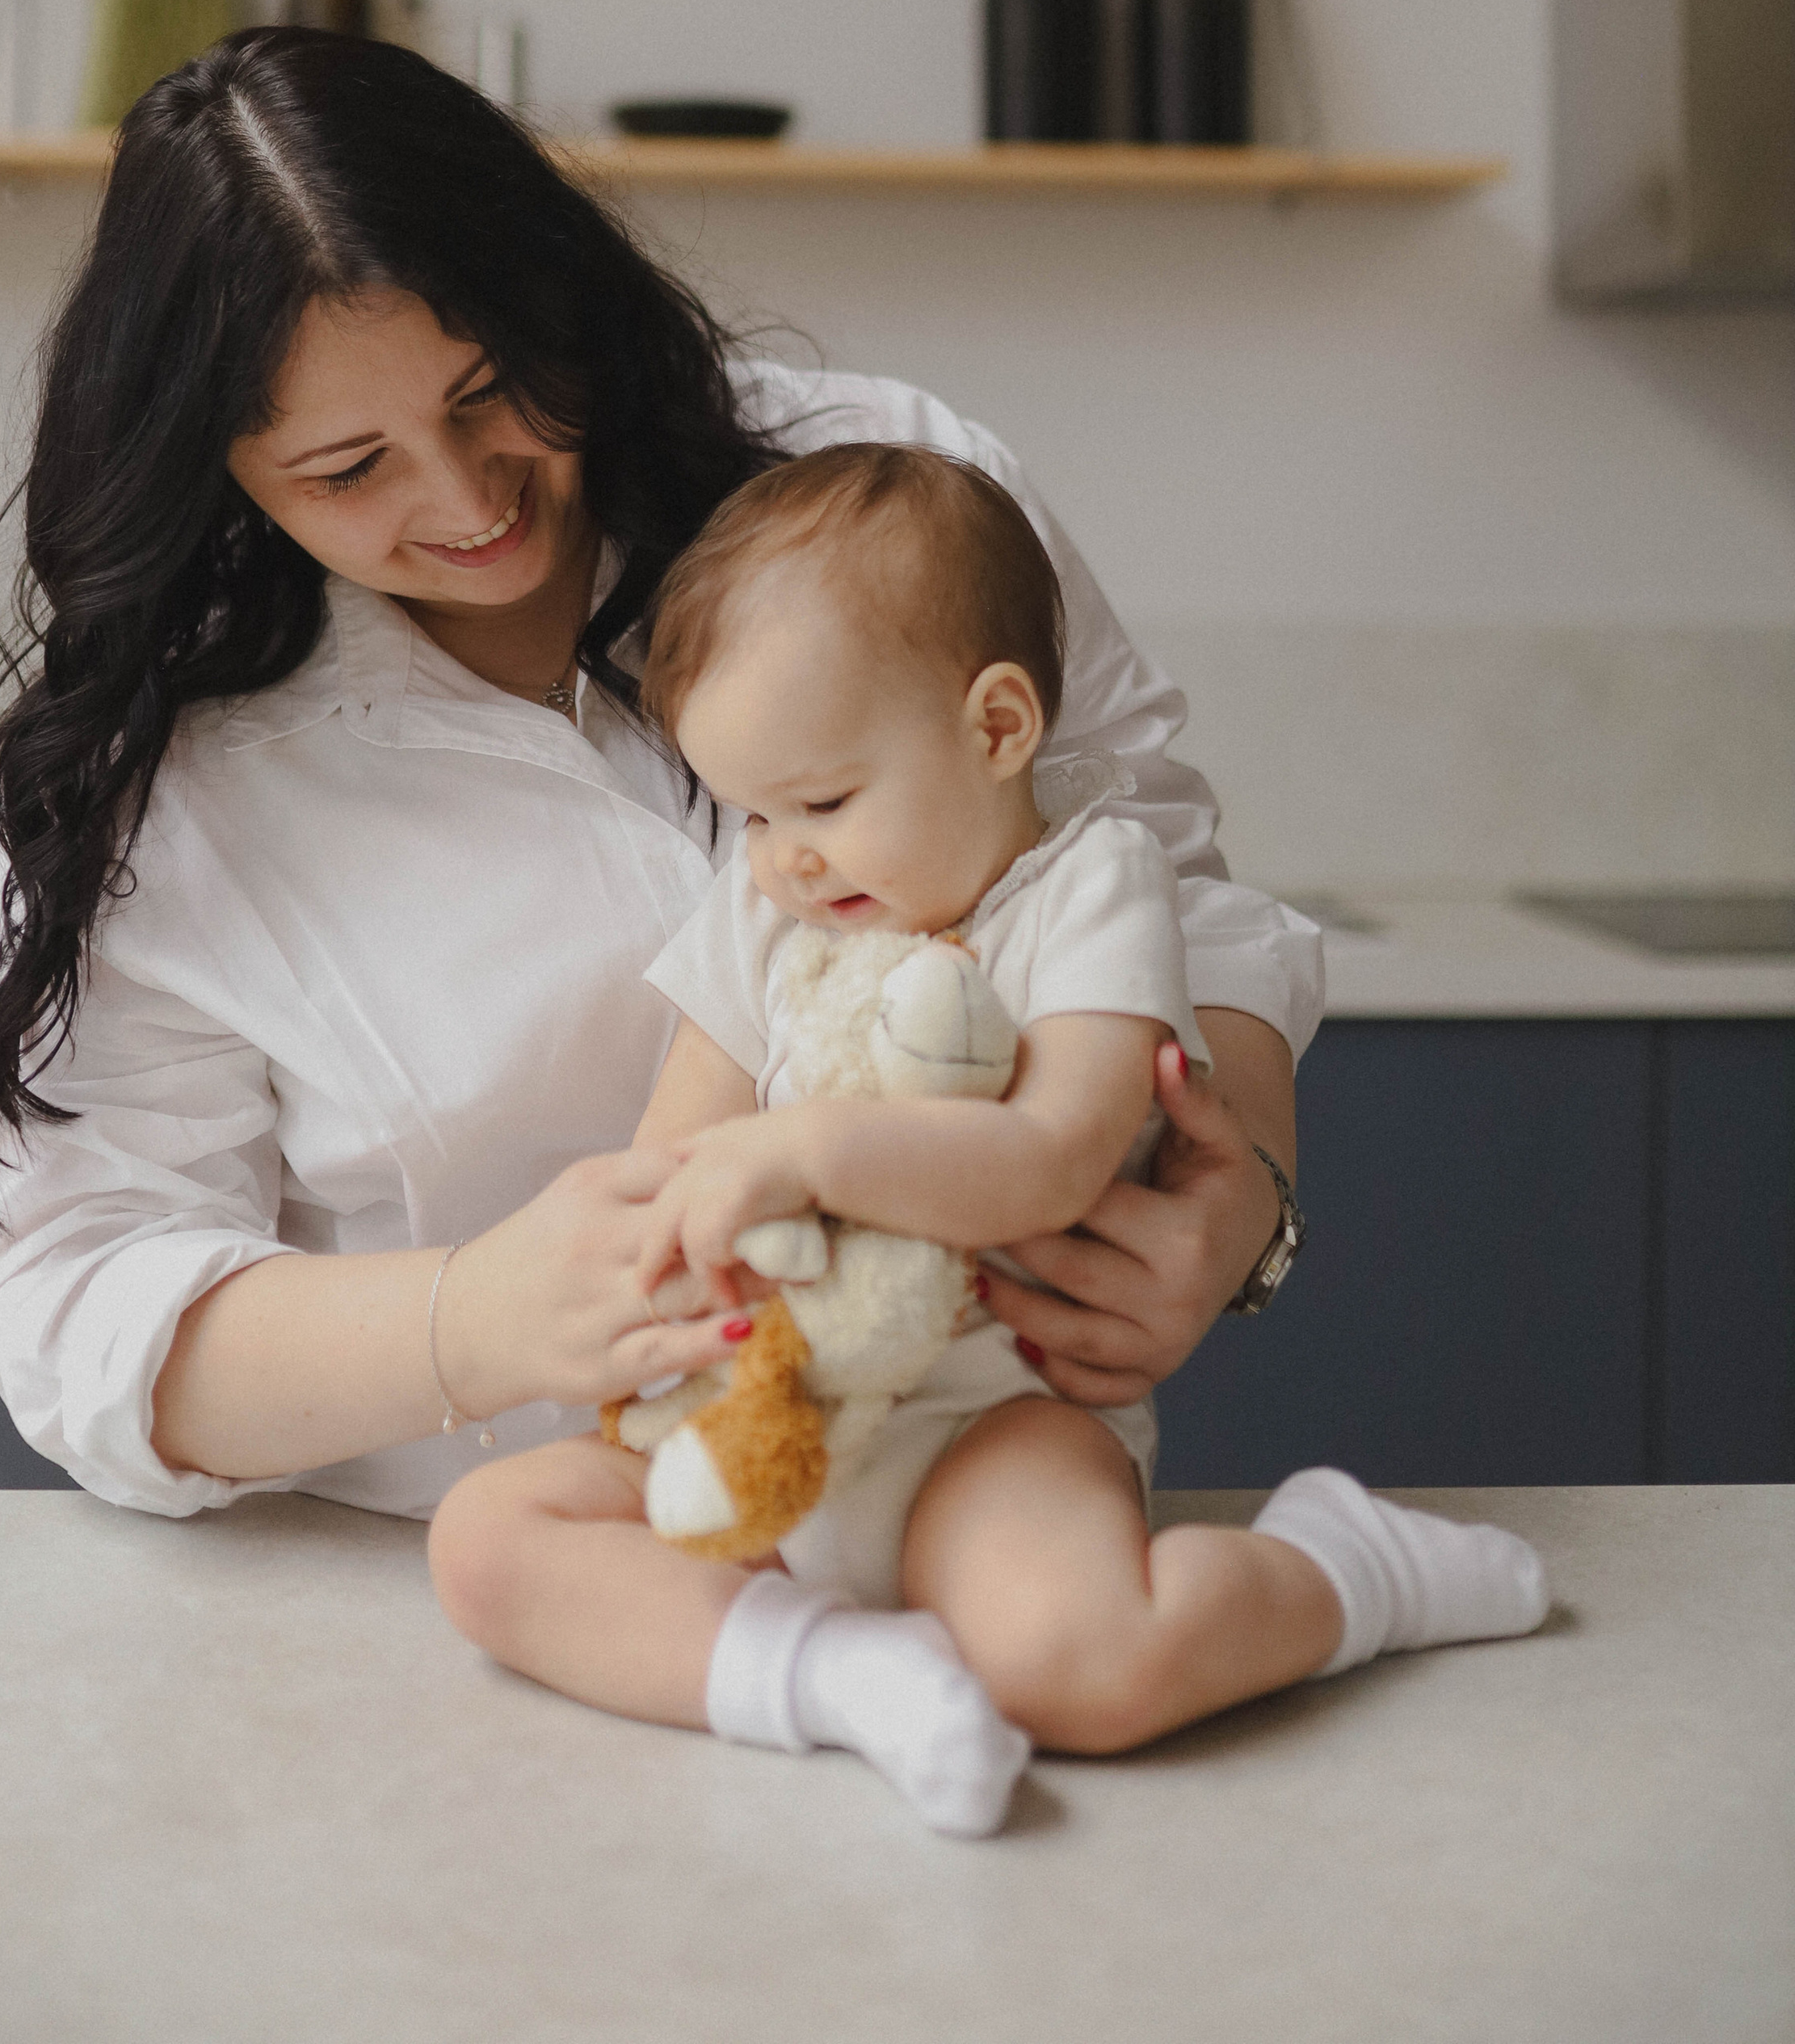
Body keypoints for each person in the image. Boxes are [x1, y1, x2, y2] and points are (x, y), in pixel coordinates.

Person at [0, 26, 1315, 1541]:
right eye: (349, 470)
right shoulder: (154, 768)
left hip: (968, 1502)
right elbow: (78, 1296)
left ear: (558, 295)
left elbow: (1152, 870)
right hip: (462, 1579)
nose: (467, 497)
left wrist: (1240, 1195)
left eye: (488, 390)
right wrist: (475, 1318)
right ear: (224, 473)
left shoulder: (887, 492)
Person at [428, 448, 1549, 1835]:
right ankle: (841, 1678)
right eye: (752, 814)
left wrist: (811, 1154)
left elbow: (1056, 1154)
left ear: (999, 726)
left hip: (988, 1420)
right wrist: (681, 1269)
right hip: (775, 1411)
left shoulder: (1087, 891)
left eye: (822, 803)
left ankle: (1346, 1570)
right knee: (487, 1541)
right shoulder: (766, 907)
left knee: (1088, 1667)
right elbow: (676, 1155)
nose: (783, 857)